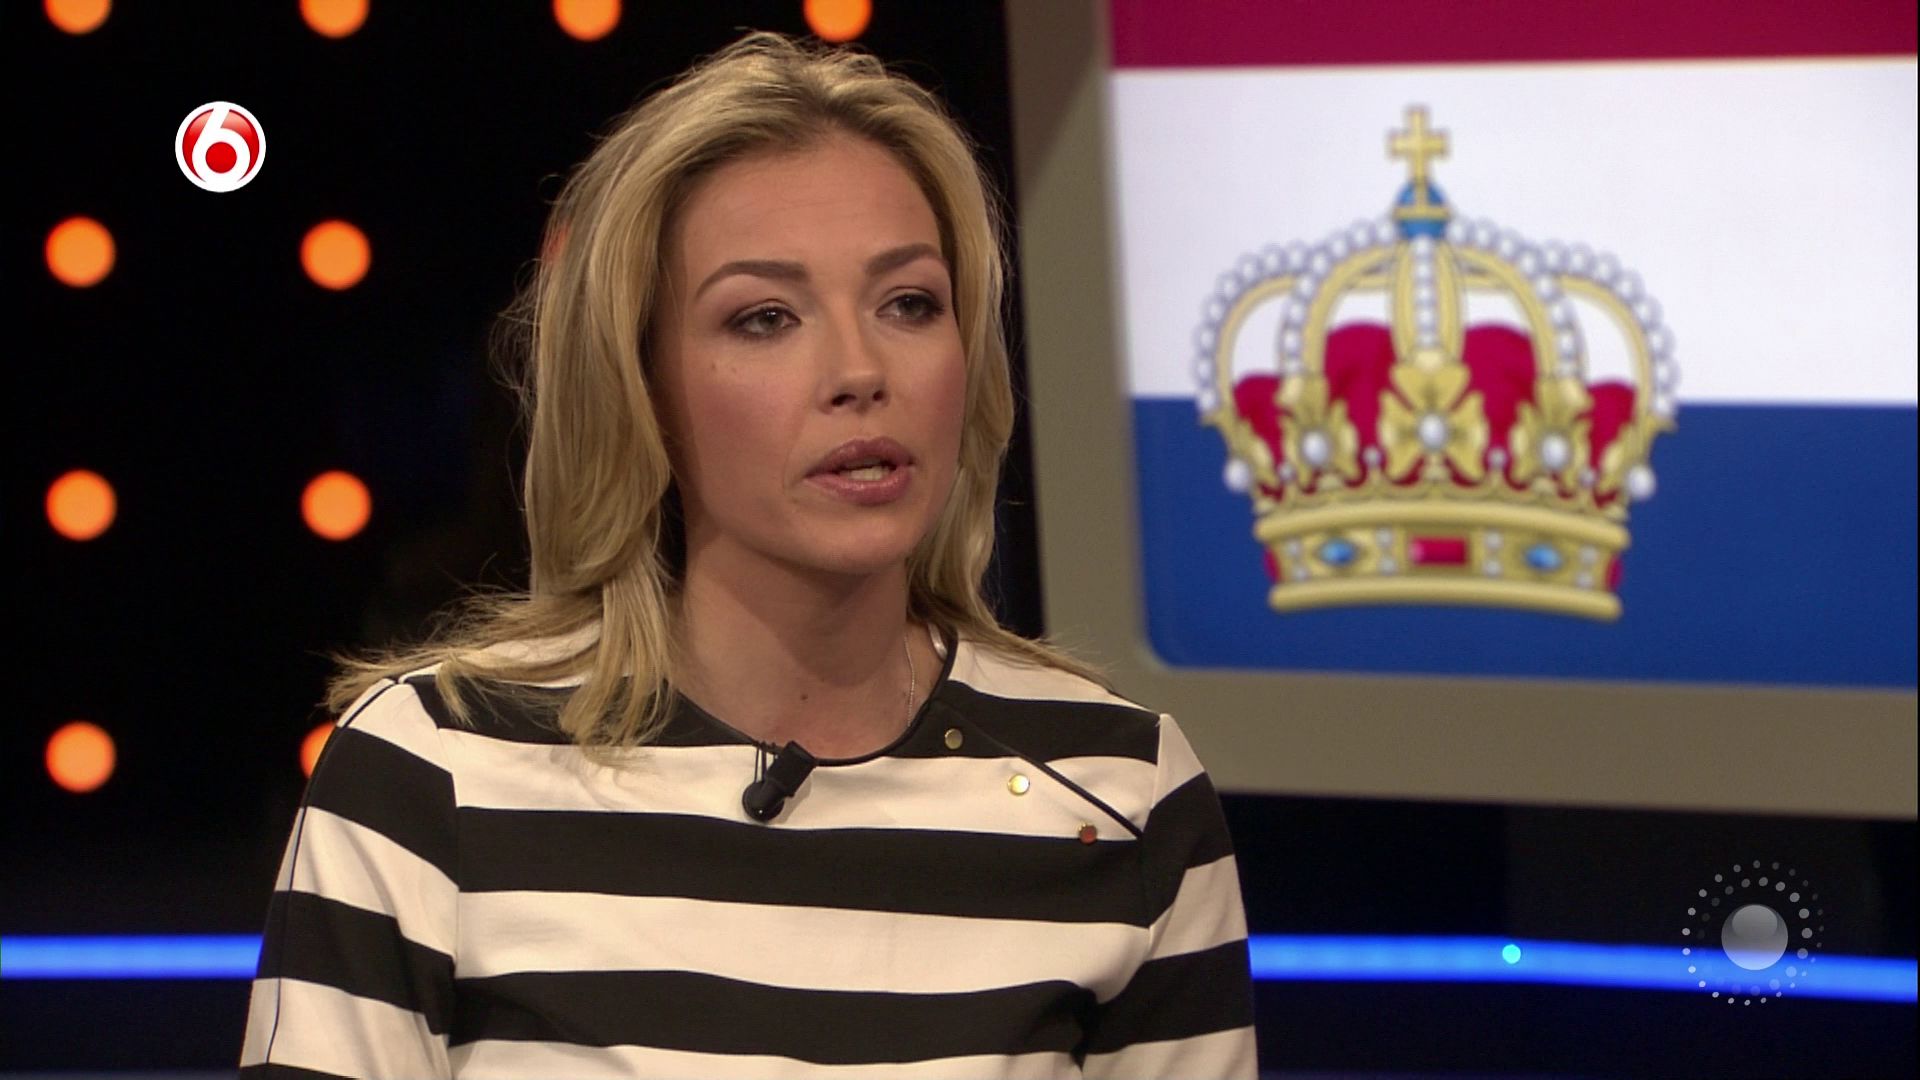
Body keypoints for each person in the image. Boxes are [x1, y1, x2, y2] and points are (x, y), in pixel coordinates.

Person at [239, 30, 1256, 1079]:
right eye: (765, 317)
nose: (860, 370)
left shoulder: (1121, 793)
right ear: (641, 388)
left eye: (909, 303)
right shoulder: (430, 774)